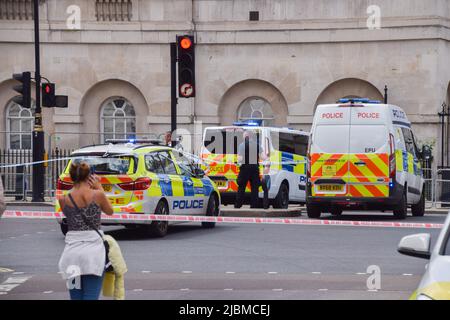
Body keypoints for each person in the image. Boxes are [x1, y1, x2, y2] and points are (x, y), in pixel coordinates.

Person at [57, 161, 114, 300]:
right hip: (92, 255)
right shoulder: (97, 195)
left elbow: (71, 217)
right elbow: (110, 211)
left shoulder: (63, 199)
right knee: (90, 296)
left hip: (71, 256)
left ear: (71, 177)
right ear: (89, 176)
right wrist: (99, 187)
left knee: (75, 296)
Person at [235, 130, 261, 209]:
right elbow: (263, 156)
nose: (243, 137)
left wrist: (237, 161)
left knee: (241, 187)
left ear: (247, 136)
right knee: (254, 188)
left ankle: (238, 205)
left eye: (244, 135)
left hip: (245, 169)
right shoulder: (257, 145)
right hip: (255, 169)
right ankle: (254, 205)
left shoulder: (242, 145)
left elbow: (240, 158)